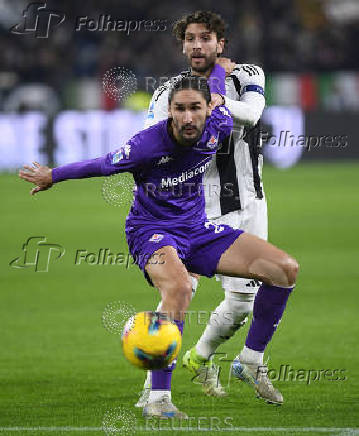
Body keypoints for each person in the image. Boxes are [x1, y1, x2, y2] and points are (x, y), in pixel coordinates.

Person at [19, 73, 299, 419]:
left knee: (284, 269)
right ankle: (158, 400)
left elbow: (220, 93)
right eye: (179, 109)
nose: (187, 117)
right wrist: (53, 176)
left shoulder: (220, 123)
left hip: (197, 230)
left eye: (195, 108)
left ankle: (250, 360)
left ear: (209, 107)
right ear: (168, 110)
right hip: (151, 231)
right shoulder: (147, 144)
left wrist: (219, 71)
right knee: (179, 288)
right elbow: (102, 164)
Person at [140, 10, 283, 406]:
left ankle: (201, 358)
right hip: (194, 210)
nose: (197, 45)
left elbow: (253, 114)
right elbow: (152, 132)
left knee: (242, 302)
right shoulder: (169, 89)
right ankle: (153, 389)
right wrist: (201, 105)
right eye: (190, 38)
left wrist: (216, 100)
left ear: (221, 44)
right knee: (176, 291)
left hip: (250, 203)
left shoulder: (248, 74)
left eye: (206, 38)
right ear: (182, 45)